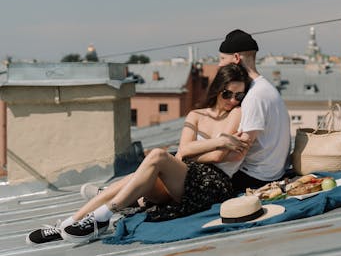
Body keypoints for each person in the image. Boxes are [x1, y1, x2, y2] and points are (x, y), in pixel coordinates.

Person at [26, 63, 251, 245]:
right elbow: (185, 150)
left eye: (239, 96)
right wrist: (219, 141)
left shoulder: (236, 113)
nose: (233, 100)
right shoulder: (196, 114)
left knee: (156, 156)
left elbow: (217, 157)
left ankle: (103, 216)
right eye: (227, 93)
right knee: (128, 180)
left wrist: (194, 153)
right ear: (217, 89)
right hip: (183, 175)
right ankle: (69, 223)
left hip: (211, 183)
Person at [218, 29, 291, 194]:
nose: (220, 64)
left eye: (222, 58)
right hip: (272, 171)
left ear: (236, 58)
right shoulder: (265, 88)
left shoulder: (254, 96)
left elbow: (240, 151)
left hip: (256, 178)